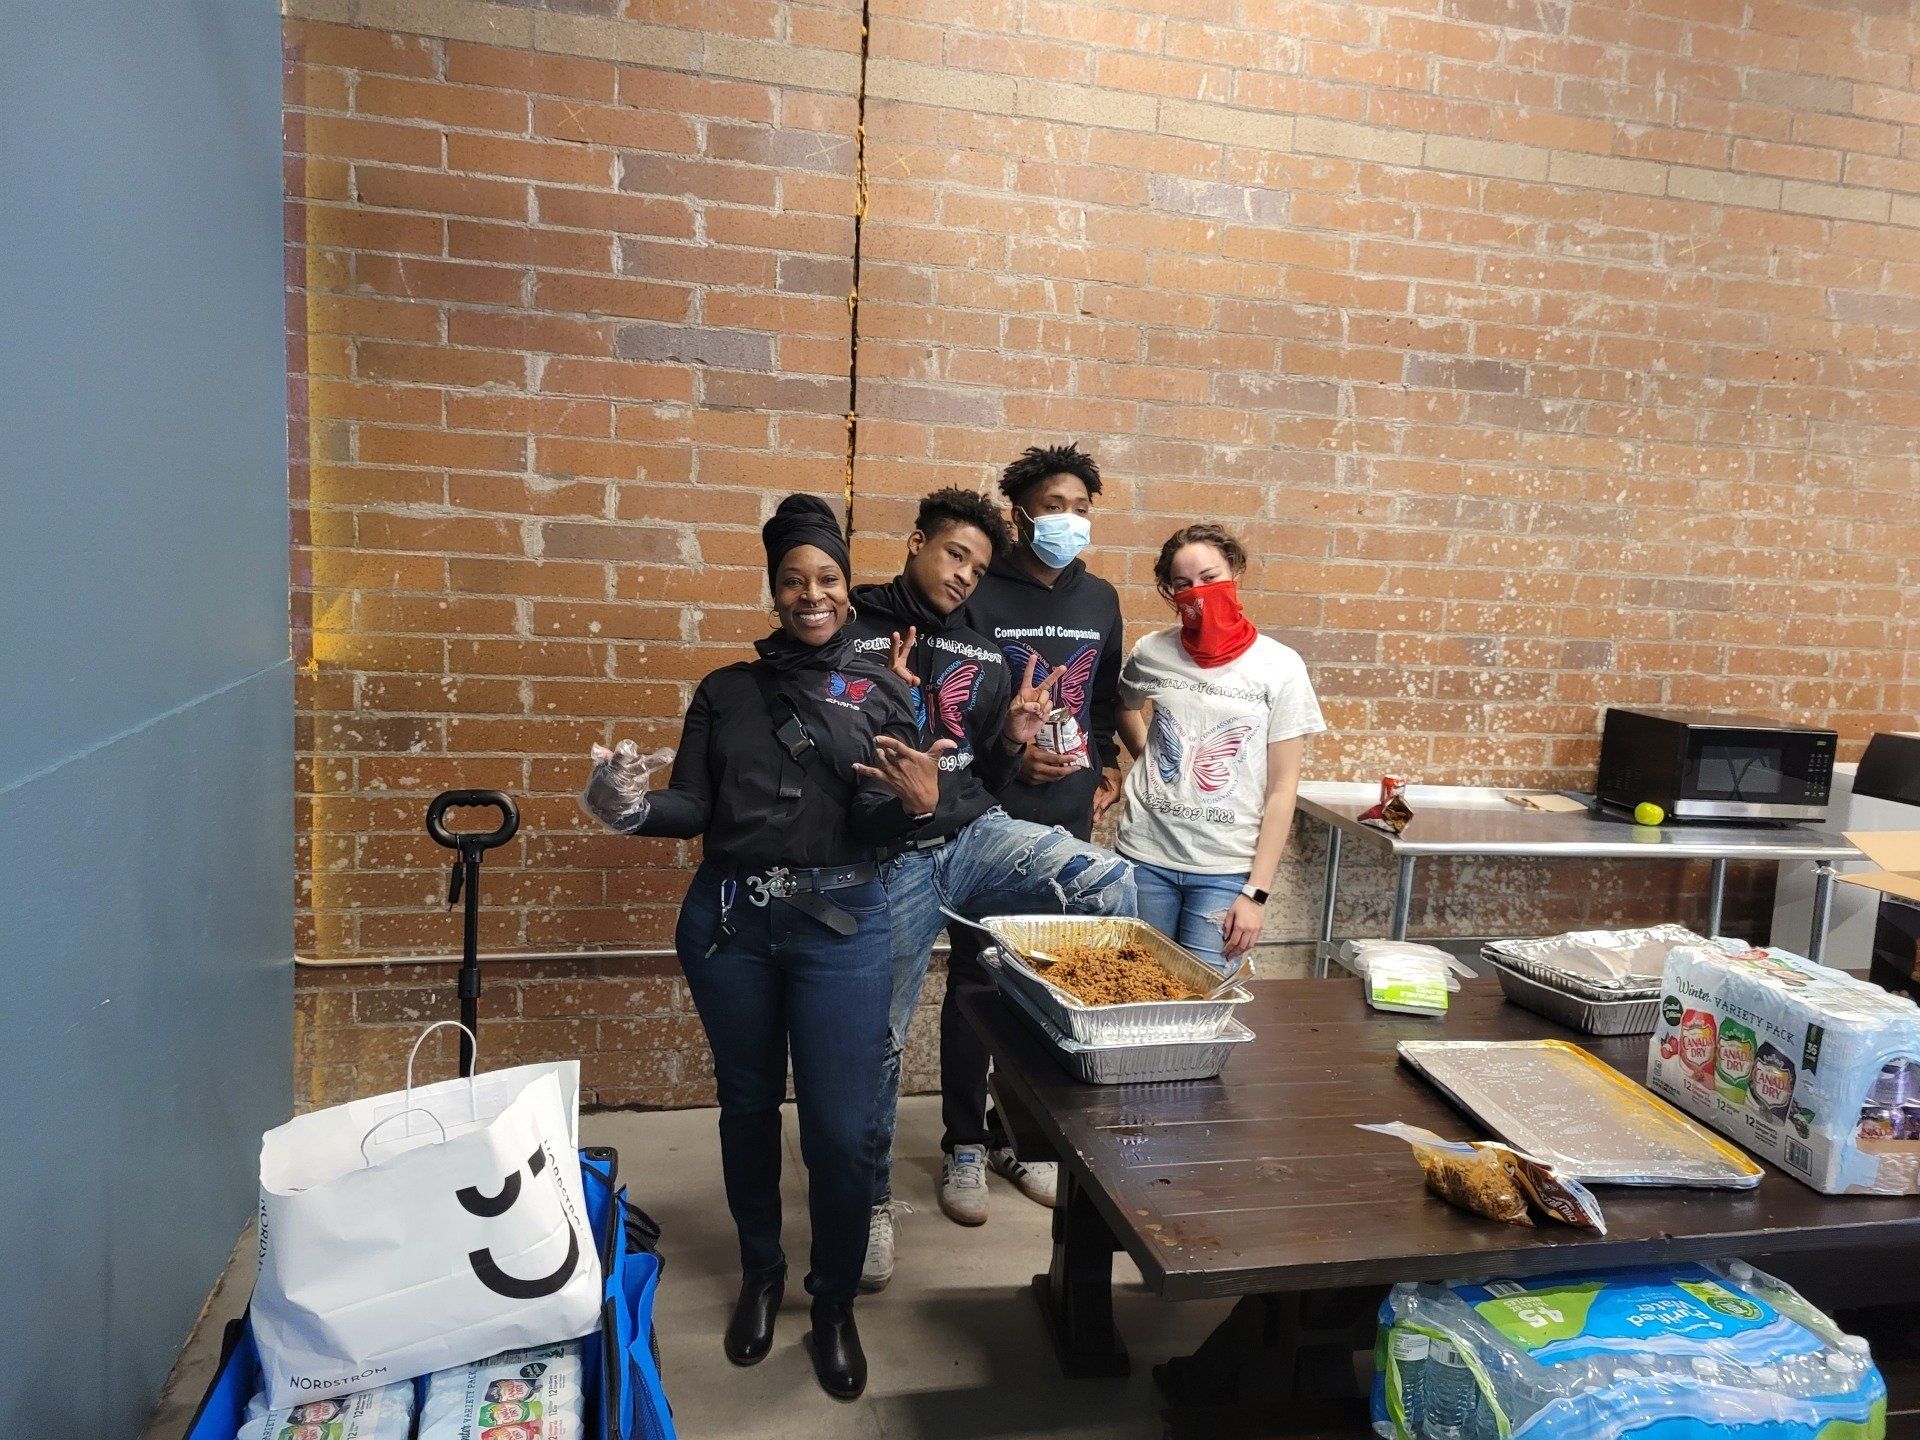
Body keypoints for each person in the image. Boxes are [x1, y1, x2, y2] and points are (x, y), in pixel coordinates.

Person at [579, 494, 951, 1401]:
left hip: (844, 928)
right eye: (793, 580)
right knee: (746, 1108)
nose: (811, 595)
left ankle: (831, 1305)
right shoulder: (725, 691)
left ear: (844, 585)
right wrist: (625, 807)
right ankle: (762, 1274)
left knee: (838, 1128)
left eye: (826, 578)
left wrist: (918, 801)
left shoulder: (885, 690)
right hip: (732, 927)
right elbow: (692, 808)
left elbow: (879, 819)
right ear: (774, 588)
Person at [844, 487, 1135, 1286]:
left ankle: (1041, 1132)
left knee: (1111, 886)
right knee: (884, 1038)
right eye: (953, 556)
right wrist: (894, 711)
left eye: (976, 562)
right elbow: (837, 761)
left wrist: (1010, 738)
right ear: (915, 543)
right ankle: (869, 1202)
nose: (965, 575)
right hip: (892, 855)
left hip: (972, 835)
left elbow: (990, 772)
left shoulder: (980, 648)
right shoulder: (855, 630)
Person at [938, 442, 1126, 1226]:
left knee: (1045, 986)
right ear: (1019, 512)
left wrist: (1105, 765)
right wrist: (1011, 758)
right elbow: (950, 705)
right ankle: (962, 1146)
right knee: (977, 982)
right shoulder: (982, 595)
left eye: (1082, 507)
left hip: (1070, 817)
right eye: (1056, 505)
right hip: (990, 816)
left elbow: (1105, 697)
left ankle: (1021, 1136)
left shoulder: (1102, 598)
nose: (1071, 520)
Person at [1102, 522, 1326, 970]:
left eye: (1209, 578)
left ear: (1236, 572)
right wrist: (1157, 757)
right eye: (1182, 584)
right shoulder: (1152, 652)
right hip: (1144, 859)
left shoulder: (1279, 666)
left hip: (1225, 873)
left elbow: (1283, 788)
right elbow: (1123, 706)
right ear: (1169, 590)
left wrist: (1256, 894)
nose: (1197, 592)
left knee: (1202, 1010)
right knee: (1134, 997)